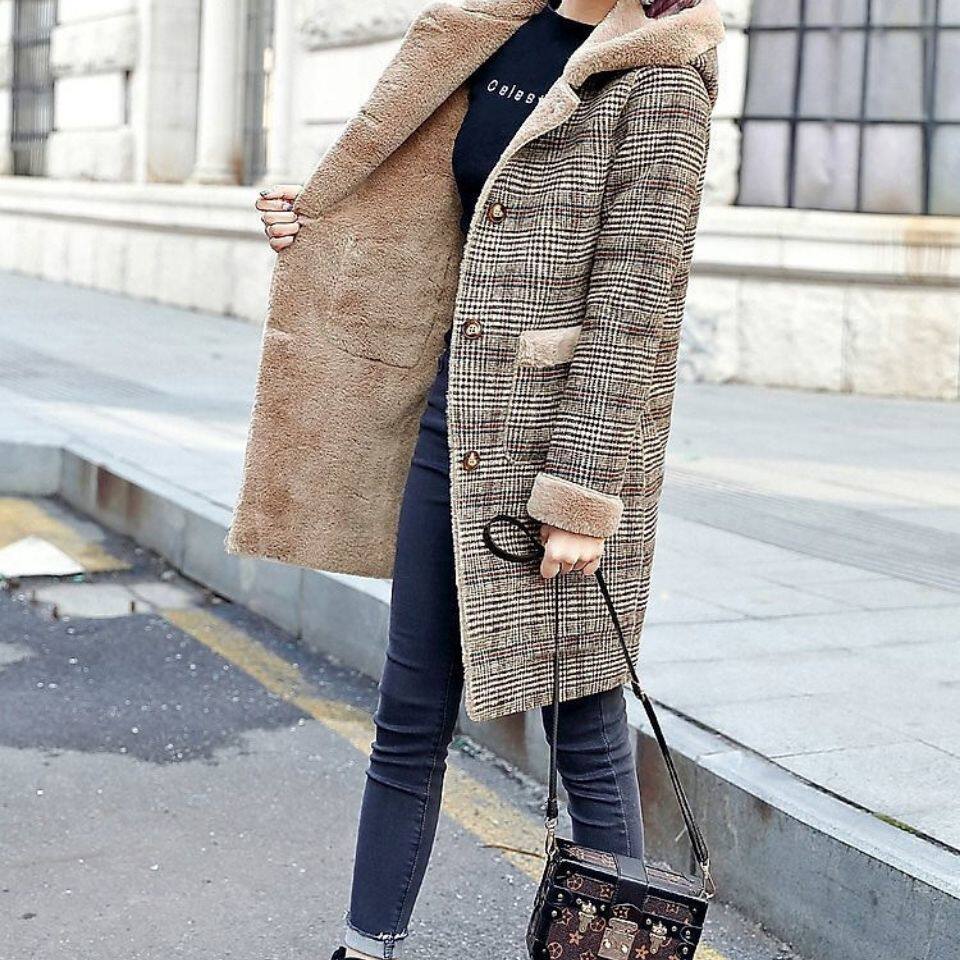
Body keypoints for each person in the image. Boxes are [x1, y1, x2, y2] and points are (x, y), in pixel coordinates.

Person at [230, 0, 725, 956]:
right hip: (448, 420)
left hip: (558, 446)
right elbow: (432, 212)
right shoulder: (493, 31)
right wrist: (318, 224)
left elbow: (638, 304)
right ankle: (365, 945)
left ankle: (609, 948)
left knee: (583, 723)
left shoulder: (662, 72)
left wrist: (580, 497)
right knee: (410, 706)